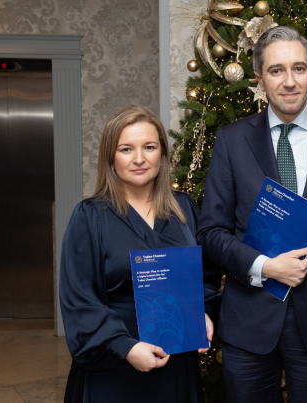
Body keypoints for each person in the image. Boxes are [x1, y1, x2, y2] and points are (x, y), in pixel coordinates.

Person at [197, 26, 307, 402]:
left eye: (299, 69)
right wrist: (264, 266)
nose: (289, 81)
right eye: (276, 70)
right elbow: (211, 231)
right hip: (249, 322)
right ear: (259, 79)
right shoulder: (231, 140)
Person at [59, 105, 219, 403]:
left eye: (149, 147)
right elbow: (78, 298)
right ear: (111, 157)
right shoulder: (90, 216)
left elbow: (206, 275)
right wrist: (126, 347)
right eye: (126, 149)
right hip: (114, 364)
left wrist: (205, 314)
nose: (139, 159)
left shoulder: (185, 209)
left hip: (177, 356)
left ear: (163, 154)